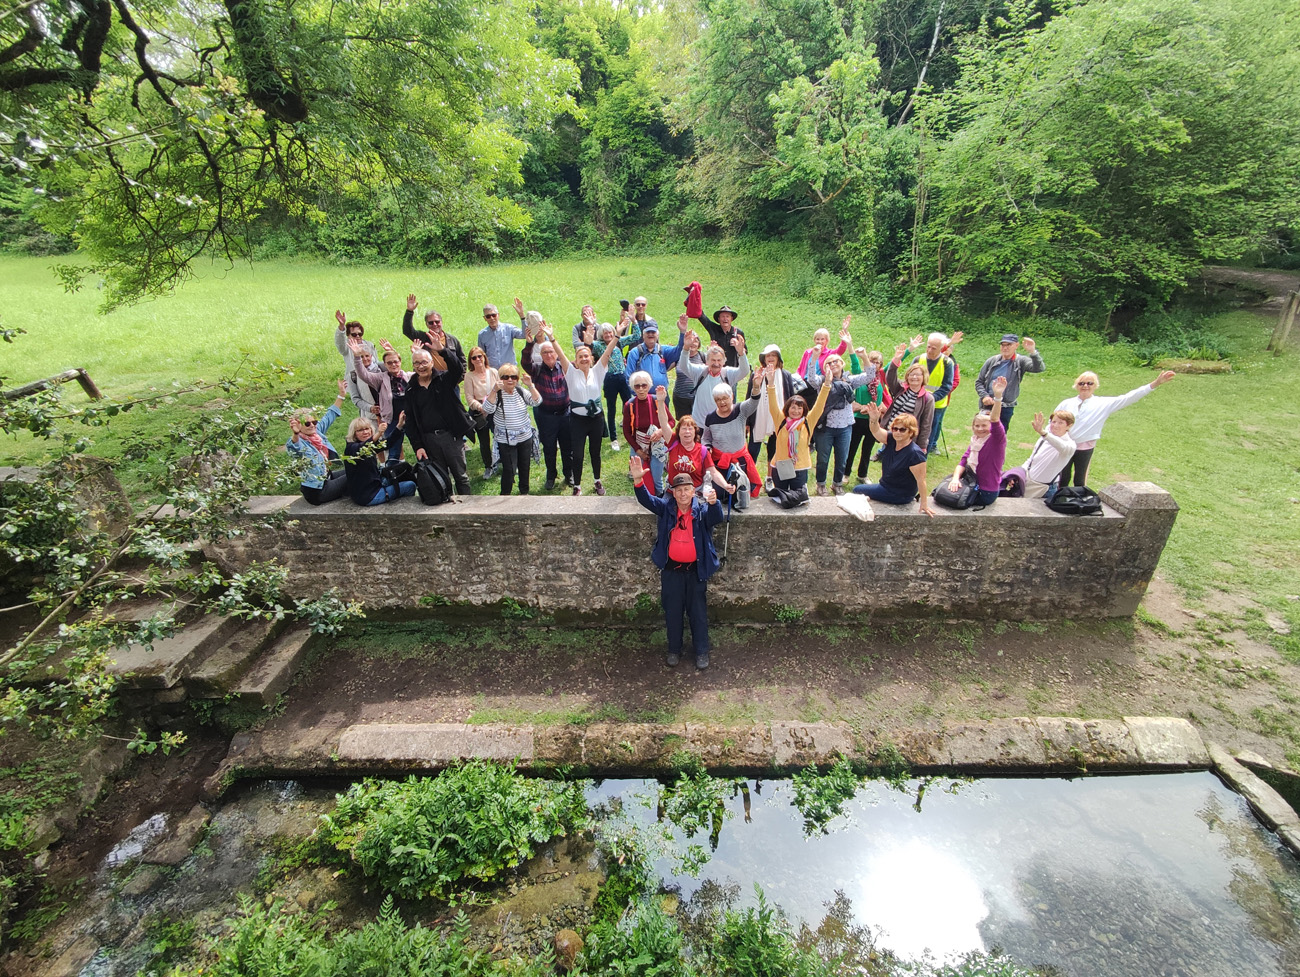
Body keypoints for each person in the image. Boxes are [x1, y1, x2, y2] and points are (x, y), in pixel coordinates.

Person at [631, 456, 724, 670]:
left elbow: (715, 517)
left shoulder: (701, 511)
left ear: (694, 491)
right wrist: (638, 481)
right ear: (673, 492)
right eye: (678, 490)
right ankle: (674, 649)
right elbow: (647, 500)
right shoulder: (666, 509)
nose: (683, 493)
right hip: (671, 572)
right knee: (672, 612)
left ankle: (701, 651)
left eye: (687, 489)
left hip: (695, 572)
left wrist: (714, 502)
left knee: (698, 613)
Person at [1054, 370, 1176, 486]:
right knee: (1062, 477)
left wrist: (1155, 383)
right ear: (1076, 385)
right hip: (1065, 445)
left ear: (1095, 385)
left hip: (1085, 447)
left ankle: (1077, 503)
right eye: (1081, 383)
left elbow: (1129, 397)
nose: (1085, 386)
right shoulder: (1067, 403)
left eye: (1089, 383)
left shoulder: (1103, 403)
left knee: (1080, 480)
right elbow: (1053, 422)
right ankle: (1057, 501)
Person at [404, 341, 473, 497]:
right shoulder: (411, 389)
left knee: (461, 477)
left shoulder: (444, 380)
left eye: (424, 362)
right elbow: (411, 422)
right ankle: (447, 509)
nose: (420, 366)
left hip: (451, 436)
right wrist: (418, 446)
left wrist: (443, 350)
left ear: (431, 362)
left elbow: (457, 368)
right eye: (416, 363)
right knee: (440, 477)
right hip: (429, 440)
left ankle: (468, 509)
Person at [556, 333, 616, 495]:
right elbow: (560, 356)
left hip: (596, 419)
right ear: (575, 360)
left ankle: (597, 480)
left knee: (595, 452)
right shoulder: (571, 373)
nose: (583, 359)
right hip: (577, 420)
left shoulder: (598, 371)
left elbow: (607, 352)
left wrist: (617, 335)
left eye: (586, 356)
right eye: (580, 356)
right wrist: (552, 338)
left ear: (591, 358)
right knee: (578, 453)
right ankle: (577, 485)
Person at [808, 350, 874, 496]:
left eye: (836, 361)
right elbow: (811, 379)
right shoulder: (822, 381)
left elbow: (870, 376)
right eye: (829, 363)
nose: (832, 364)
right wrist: (814, 358)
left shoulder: (850, 380)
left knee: (842, 458)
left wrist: (863, 357)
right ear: (825, 367)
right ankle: (821, 484)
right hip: (825, 427)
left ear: (842, 364)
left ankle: (837, 484)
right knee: (823, 459)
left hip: (845, 427)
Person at [764, 362, 832, 503]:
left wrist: (826, 384)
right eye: (793, 408)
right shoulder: (780, 420)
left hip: (799, 467)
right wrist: (770, 383)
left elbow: (819, 406)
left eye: (799, 408)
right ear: (788, 408)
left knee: (797, 498)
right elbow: (772, 404)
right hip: (781, 465)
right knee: (781, 497)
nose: (796, 411)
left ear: (804, 410)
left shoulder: (808, 422)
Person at [521, 323, 575, 491]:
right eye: (545, 352)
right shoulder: (536, 370)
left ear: (556, 354)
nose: (549, 355)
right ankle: (551, 475)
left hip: (565, 414)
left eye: (551, 351)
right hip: (547, 416)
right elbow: (525, 362)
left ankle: (569, 473)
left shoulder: (565, 368)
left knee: (568, 447)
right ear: (541, 355)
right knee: (550, 448)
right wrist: (529, 344)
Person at [851, 409, 935, 516]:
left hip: (899, 494)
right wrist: (874, 420)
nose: (897, 432)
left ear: (911, 432)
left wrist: (924, 504)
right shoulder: (891, 439)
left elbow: (921, 480)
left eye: (902, 430)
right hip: (886, 486)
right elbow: (876, 431)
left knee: (857, 490)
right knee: (859, 490)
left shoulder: (915, 454)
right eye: (895, 429)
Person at [945, 376, 1008, 507]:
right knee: (942, 493)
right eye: (977, 426)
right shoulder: (976, 441)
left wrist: (997, 397)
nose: (980, 429)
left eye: (984, 425)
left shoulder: (996, 440)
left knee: (948, 499)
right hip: (970, 483)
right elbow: (963, 462)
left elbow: (995, 419)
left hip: (985, 491)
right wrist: (955, 479)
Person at [675, 315, 750, 423]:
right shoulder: (700, 371)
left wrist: (741, 354)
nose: (716, 363)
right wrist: (686, 348)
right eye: (713, 360)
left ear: (724, 361)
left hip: (720, 423)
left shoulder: (728, 373)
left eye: (719, 360)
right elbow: (683, 366)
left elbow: (744, 371)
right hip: (700, 423)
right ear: (707, 361)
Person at [286, 379, 349, 505]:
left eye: (314, 422)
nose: (312, 425)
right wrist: (295, 434)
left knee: (354, 467)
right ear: (298, 425)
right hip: (318, 491)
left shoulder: (316, 432)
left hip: (327, 477)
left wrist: (341, 394)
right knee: (356, 474)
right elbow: (294, 448)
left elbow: (330, 415)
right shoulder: (299, 442)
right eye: (307, 423)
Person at [701, 383, 762, 510]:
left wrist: (755, 387)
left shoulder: (740, 410)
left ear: (732, 397)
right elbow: (706, 438)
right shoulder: (710, 417)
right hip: (720, 462)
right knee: (719, 495)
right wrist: (707, 447)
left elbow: (753, 402)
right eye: (718, 400)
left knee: (739, 495)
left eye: (724, 398)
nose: (722, 402)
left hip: (739, 461)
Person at [351, 338, 413, 462]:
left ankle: (425, 473)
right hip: (392, 420)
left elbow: (424, 369)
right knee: (393, 450)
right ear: (384, 365)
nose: (393, 365)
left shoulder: (409, 377)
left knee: (420, 446)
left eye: (395, 362)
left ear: (400, 362)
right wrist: (357, 357)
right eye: (389, 363)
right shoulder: (380, 378)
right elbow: (364, 374)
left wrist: (414, 352)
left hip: (412, 419)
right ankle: (394, 474)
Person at [746, 344, 802, 476]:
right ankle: (749, 477)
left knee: (774, 448)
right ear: (763, 358)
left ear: (778, 358)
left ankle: (770, 478)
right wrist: (747, 420)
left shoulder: (785, 375)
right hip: (758, 416)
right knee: (753, 449)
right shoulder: (757, 374)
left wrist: (790, 418)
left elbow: (789, 397)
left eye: (773, 355)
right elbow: (749, 396)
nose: (770, 358)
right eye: (768, 355)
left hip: (778, 417)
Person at [486, 364, 542, 495]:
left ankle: (524, 493)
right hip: (505, 440)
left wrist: (530, 385)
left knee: (524, 467)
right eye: (506, 377)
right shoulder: (497, 394)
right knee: (509, 470)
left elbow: (537, 401)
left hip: (525, 438)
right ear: (500, 379)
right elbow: (487, 409)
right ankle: (505, 495)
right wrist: (494, 390)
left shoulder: (521, 391)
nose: (510, 380)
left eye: (513, 377)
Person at [974, 334, 1044, 432]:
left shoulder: (1020, 361)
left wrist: (1033, 352)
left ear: (1016, 345)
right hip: (988, 405)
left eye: (1009, 345)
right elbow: (979, 382)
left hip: (1006, 407)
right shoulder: (992, 361)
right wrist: (985, 396)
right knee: (982, 433)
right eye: (1003, 345)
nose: (1005, 348)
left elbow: (1038, 368)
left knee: (999, 435)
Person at [589, 318, 639, 451]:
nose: (609, 336)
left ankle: (633, 434)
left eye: (611, 333)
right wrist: (591, 325)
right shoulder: (599, 346)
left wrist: (634, 321)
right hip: (609, 379)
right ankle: (614, 438)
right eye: (606, 334)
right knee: (611, 410)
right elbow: (589, 344)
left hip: (622, 378)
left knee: (629, 406)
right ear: (601, 335)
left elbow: (637, 336)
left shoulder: (619, 342)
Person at [342, 418, 417, 506]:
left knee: (404, 470)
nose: (365, 432)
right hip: (369, 495)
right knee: (410, 486)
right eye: (360, 430)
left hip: (375, 484)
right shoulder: (352, 448)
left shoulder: (369, 446)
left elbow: (387, 443)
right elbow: (362, 447)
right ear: (354, 434)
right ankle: (403, 511)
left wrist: (399, 426)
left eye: (367, 429)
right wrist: (379, 433)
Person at [906, 331, 957, 454]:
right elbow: (908, 379)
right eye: (928, 346)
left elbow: (947, 386)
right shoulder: (918, 359)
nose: (930, 350)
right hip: (916, 400)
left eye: (933, 348)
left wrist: (930, 398)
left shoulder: (947, 363)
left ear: (941, 348)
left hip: (937, 404)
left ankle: (922, 456)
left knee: (929, 432)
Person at [844, 348, 889, 484]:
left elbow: (894, 365)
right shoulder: (860, 375)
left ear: (881, 365)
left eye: (877, 363)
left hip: (873, 419)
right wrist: (850, 346)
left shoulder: (881, 377)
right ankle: (845, 473)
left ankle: (862, 475)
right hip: (858, 418)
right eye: (872, 361)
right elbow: (854, 361)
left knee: (867, 448)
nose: (875, 365)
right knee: (852, 447)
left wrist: (908, 350)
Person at [623, 374, 672, 494]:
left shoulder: (657, 401)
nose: (641, 389)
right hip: (638, 445)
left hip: (657, 444)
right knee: (639, 478)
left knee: (656, 478)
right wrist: (638, 451)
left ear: (649, 386)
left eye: (644, 385)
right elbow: (626, 432)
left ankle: (660, 500)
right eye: (637, 386)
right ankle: (643, 501)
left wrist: (661, 431)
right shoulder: (629, 405)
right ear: (633, 388)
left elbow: (671, 421)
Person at [665, 414, 734, 499]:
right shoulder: (672, 443)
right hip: (673, 492)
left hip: (695, 494)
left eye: (690, 429)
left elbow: (713, 472)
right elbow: (664, 424)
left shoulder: (702, 451)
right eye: (684, 429)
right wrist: (660, 403)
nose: (687, 431)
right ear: (678, 432)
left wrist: (725, 485)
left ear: (695, 432)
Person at [882, 352, 936, 452]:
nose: (914, 377)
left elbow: (926, 424)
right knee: (888, 462)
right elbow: (889, 377)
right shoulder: (900, 389)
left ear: (923, 377)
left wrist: (922, 445)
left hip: (907, 438)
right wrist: (896, 360)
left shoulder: (928, 399)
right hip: (891, 432)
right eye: (912, 374)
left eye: (918, 375)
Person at [1020, 410, 1077, 498]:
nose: (1055, 425)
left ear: (1069, 426)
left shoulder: (1070, 445)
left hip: (1044, 490)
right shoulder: (1043, 439)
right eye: (1053, 422)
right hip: (1027, 483)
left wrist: (1044, 433)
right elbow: (1031, 459)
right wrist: (1019, 474)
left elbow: (1062, 446)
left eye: (1060, 423)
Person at [463, 345, 500, 478]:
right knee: (484, 442)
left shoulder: (493, 372)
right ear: (471, 361)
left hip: (495, 410)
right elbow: (469, 397)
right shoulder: (469, 376)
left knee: (500, 437)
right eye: (474, 358)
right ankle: (488, 466)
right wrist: (481, 407)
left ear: (484, 357)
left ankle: (501, 461)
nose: (478, 359)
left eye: (480, 356)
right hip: (479, 412)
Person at [333, 311, 378, 419]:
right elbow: (339, 342)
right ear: (348, 336)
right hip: (357, 381)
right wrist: (341, 327)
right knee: (362, 404)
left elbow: (376, 360)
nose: (358, 336)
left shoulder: (369, 345)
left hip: (373, 379)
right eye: (354, 334)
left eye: (360, 333)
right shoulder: (347, 347)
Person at [403, 295, 466, 364]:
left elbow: (462, 360)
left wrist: (461, 374)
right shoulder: (422, 338)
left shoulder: (452, 340)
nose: (434, 324)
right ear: (426, 324)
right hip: (429, 374)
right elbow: (407, 330)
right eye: (431, 323)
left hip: (450, 374)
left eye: (437, 322)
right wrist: (409, 311)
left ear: (441, 322)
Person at [624, 322, 683, 393]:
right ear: (643, 335)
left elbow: (679, 351)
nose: (650, 334)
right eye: (648, 332)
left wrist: (682, 332)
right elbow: (629, 377)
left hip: (662, 396)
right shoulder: (635, 353)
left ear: (657, 335)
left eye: (653, 332)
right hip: (643, 397)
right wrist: (638, 395)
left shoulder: (663, 350)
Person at [671, 328, 708, 421]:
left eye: (696, 341)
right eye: (690, 340)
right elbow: (665, 368)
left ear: (699, 344)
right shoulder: (679, 356)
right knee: (683, 423)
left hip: (698, 397)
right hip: (680, 397)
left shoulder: (703, 357)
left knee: (698, 423)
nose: (693, 343)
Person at [477, 302, 525, 369]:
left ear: (498, 315)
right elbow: (481, 355)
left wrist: (522, 316)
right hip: (493, 372)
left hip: (509, 371)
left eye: (493, 315)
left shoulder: (509, 328)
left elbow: (524, 335)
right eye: (488, 316)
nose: (491, 318)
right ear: (485, 318)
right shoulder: (482, 335)